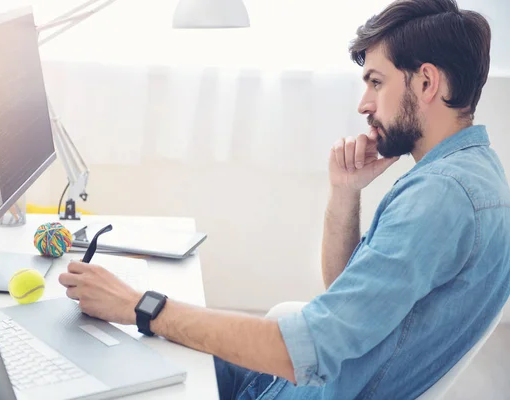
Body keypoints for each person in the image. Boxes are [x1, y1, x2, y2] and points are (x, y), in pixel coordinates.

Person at [59, 0, 510, 398]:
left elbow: (309, 350)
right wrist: (344, 193)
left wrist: (141, 306)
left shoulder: (440, 199)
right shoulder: (468, 173)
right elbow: (348, 301)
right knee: (106, 355)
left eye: (375, 82)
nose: (364, 103)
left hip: (289, 386)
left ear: (427, 82)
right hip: (283, 381)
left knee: (94, 366)